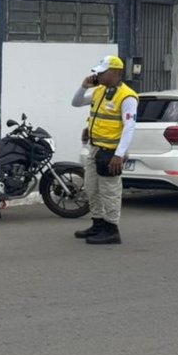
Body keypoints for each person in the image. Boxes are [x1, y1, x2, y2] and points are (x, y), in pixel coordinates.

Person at [71, 55, 138, 245]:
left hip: (111, 153)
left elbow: (129, 127)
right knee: (91, 188)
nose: (98, 75)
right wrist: (84, 86)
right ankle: (98, 224)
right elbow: (76, 102)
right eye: (97, 73)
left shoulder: (127, 97)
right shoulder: (99, 91)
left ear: (115, 73)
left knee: (110, 191)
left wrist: (119, 155)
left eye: (102, 72)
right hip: (94, 149)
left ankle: (111, 229)